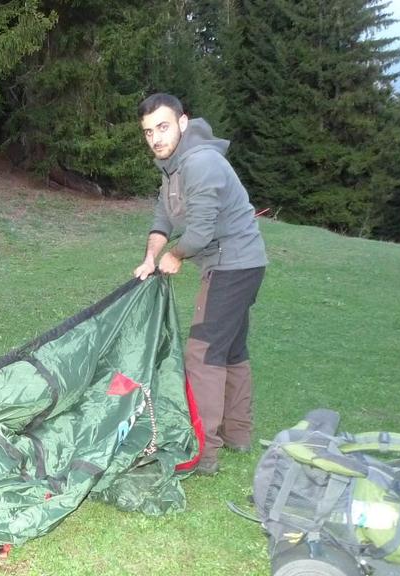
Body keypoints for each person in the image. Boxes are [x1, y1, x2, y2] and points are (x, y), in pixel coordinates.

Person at [132, 93, 267, 476]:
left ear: (182, 122)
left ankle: (202, 452)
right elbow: (162, 219)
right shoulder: (171, 167)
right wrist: (150, 257)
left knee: (203, 354)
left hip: (233, 266)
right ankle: (238, 433)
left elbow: (201, 230)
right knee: (231, 349)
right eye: (148, 132)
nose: (155, 138)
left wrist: (174, 257)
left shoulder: (202, 162)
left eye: (162, 127)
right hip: (239, 265)